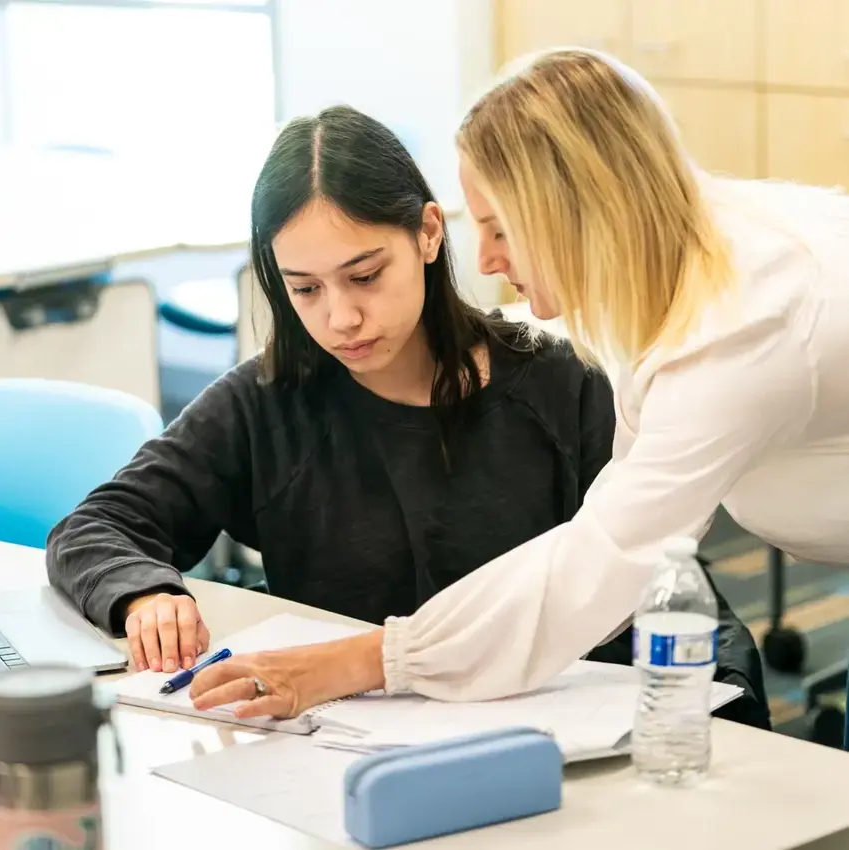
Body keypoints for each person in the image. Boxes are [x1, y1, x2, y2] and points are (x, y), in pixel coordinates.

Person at [45, 104, 768, 727]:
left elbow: (663, 579)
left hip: (553, 743)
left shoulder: (560, 386)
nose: (341, 317)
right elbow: (96, 527)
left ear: (427, 234)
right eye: (304, 290)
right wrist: (143, 592)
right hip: (340, 752)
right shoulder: (267, 401)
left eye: (365, 275)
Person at [190, 46, 848, 718]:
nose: (487, 259)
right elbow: (615, 519)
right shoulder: (682, 260)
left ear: (583, 212)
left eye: (500, 227)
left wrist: (364, 661)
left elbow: (604, 561)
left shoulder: (739, 331)